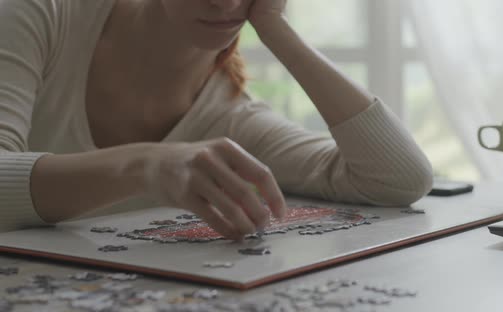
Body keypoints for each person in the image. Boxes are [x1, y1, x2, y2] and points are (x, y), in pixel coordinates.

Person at [0, 0, 433, 240]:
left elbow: (398, 179)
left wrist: (277, 28)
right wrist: (148, 165)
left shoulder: (230, 117)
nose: (225, 1)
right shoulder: (42, 13)